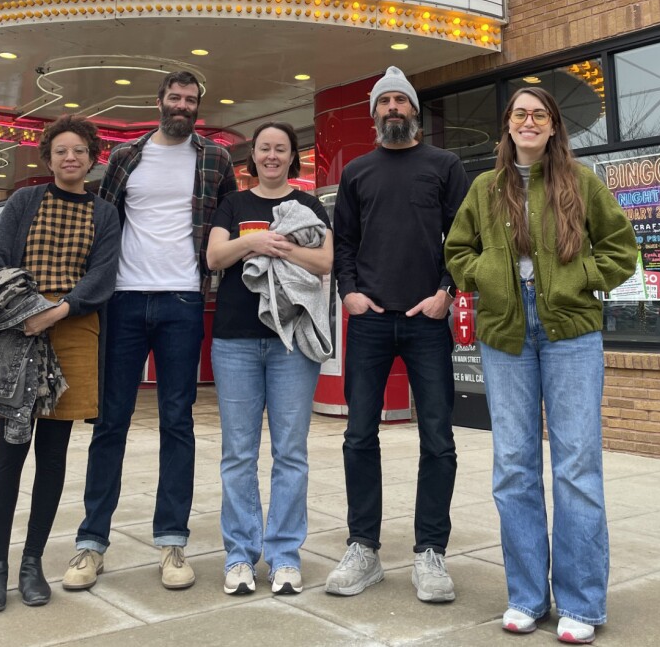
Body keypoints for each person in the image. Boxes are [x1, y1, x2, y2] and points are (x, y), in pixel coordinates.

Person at [445, 87, 637, 644]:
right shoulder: (484, 188)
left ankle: (580, 602)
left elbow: (621, 249)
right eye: (519, 114)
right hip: (506, 332)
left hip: (571, 332)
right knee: (514, 466)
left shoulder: (581, 182)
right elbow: (457, 251)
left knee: (576, 465)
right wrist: (485, 276)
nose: (528, 122)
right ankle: (527, 596)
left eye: (539, 115)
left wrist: (580, 279)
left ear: (553, 127)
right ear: (507, 126)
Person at [62, 71, 237, 592]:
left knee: (177, 421)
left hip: (184, 299)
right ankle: (91, 544)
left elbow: (226, 224)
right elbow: (102, 223)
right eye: (175, 98)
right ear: (158, 102)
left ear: (197, 108)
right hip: (124, 298)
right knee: (110, 420)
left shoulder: (217, 159)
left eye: (191, 100)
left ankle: (172, 541)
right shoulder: (125, 158)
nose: (182, 106)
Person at [327, 66, 468, 602]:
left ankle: (431, 552)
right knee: (359, 435)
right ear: (374, 115)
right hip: (369, 321)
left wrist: (446, 292)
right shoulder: (358, 171)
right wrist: (350, 292)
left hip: (426, 320)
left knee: (439, 439)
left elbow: (462, 237)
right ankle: (363, 548)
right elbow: (343, 242)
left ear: (413, 112)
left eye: (400, 101)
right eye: (383, 102)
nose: (392, 108)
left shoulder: (444, 165)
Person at [0, 115, 121, 612]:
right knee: (10, 448)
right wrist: (29, 312)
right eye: (61, 151)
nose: (70, 158)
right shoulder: (24, 202)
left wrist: (57, 310)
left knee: (54, 453)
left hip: (75, 329)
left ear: (92, 156)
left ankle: (32, 562)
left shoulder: (104, 214)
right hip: (18, 330)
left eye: (79, 150)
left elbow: (102, 277)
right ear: (49, 157)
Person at [206, 122, 333, 596]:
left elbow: (325, 264)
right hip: (235, 341)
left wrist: (287, 250)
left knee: (291, 454)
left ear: (291, 156)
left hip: (291, 344)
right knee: (238, 454)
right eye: (265, 149)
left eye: (281, 149)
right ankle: (239, 557)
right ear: (252, 157)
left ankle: (284, 556)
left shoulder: (309, 206)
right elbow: (215, 256)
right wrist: (253, 244)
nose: (273, 156)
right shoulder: (234, 205)